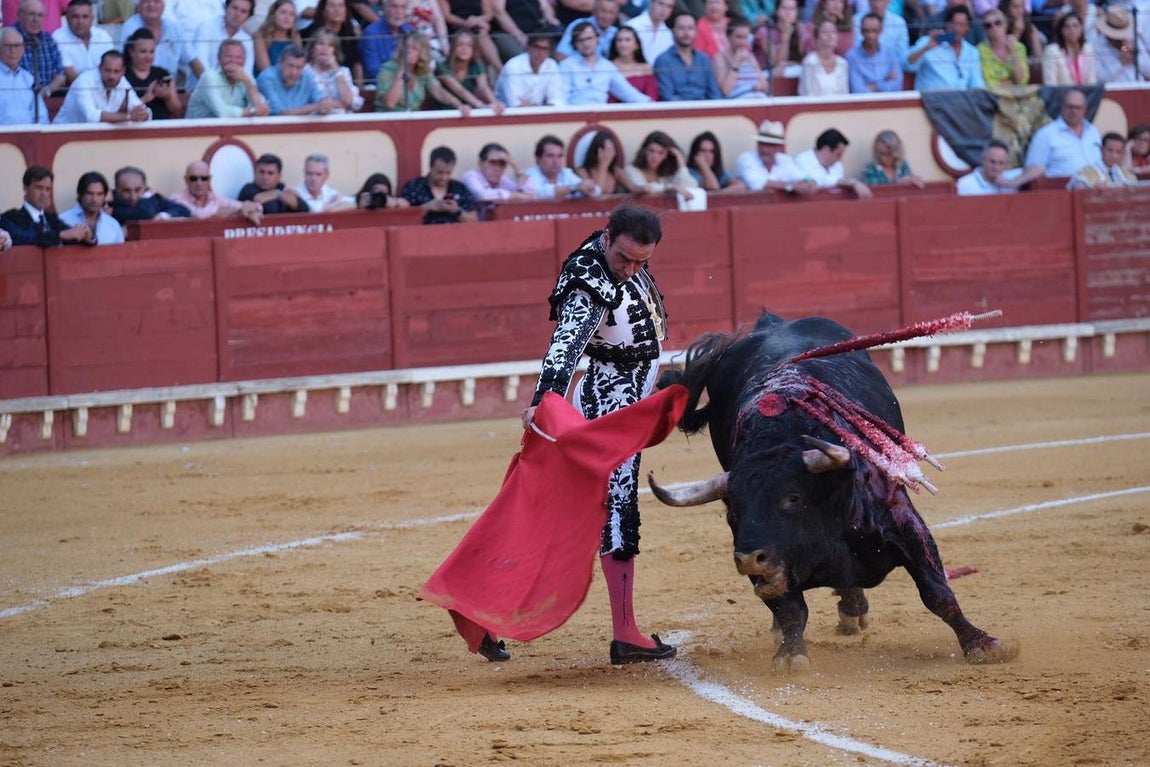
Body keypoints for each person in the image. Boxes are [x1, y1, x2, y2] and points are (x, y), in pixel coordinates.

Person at [519, 204, 676, 666]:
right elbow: (565, 347)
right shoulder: (591, 279)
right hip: (611, 403)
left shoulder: (619, 262)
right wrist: (545, 402)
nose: (629, 270)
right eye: (624, 258)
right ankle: (625, 634)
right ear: (608, 237)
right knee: (615, 508)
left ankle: (491, 615)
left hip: (630, 398)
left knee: (576, 509)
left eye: (640, 263)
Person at [376, 31, 472, 112]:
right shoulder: (387, 68)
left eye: (414, 48)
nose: (409, 51)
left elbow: (438, 91)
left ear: (421, 52)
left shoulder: (423, 70)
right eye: (407, 47)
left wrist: (458, 105)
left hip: (413, 122)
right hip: (388, 121)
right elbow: (390, 103)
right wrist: (402, 69)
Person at [558, 21, 651, 103]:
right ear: (575, 44)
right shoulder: (566, 65)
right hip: (575, 116)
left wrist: (650, 103)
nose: (586, 43)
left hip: (601, 115)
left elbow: (627, 92)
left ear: (597, 39)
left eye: (589, 38)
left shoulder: (607, 66)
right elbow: (561, 98)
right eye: (581, 40)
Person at [0, 165, 92, 247]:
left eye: (47, 189)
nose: (44, 193)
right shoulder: (11, 217)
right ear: (26, 187)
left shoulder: (51, 219)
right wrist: (60, 235)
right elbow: (22, 238)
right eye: (39, 188)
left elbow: (71, 236)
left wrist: (86, 236)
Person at [53, 49, 152, 124]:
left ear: (123, 72)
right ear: (100, 68)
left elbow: (143, 110)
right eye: (107, 70)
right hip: (61, 136)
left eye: (116, 71)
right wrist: (129, 116)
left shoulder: (122, 82)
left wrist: (143, 114)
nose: (111, 76)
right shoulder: (84, 81)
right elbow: (91, 116)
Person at [1024, 88, 1101, 178]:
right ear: (1062, 107)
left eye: (1078, 108)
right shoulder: (1045, 134)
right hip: (1061, 189)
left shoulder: (1093, 131)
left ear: (1085, 110)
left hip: (1098, 187)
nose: (1073, 111)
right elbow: (1031, 172)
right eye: (1070, 107)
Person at [904, 5, 985, 91]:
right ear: (947, 24)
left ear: (967, 28)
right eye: (954, 23)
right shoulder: (928, 41)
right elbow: (907, 66)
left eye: (961, 25)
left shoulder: (972, 52)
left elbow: (977, 83)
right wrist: (926, 48)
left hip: (961, 101)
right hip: (931, 101)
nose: (956, 28)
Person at [185, 39, 271, 119]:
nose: (233, 61)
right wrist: (253, 111)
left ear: (244, 60)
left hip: (231, 130)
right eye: (228, 56)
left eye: (238, 58)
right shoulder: (209, 77)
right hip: (198, 131)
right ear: (218, 58)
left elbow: (262, 109)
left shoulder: (246, 76)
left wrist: (249, 84)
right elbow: (222, 113)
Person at [399, 145, 479, 224]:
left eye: (448, 173)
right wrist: (426, 208)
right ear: (430, 167)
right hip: (423, 235)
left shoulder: (460, 188)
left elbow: (474, 221)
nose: (444, 177)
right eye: (439, 172)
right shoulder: (414, 187)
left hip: (455, 235)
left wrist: (457, 211)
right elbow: (402, 219)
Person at [118, 0, 194, 83]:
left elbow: (192, 60)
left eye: (156, 1)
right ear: (139, 6)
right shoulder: (129, 28)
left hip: (167, 88)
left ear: (163, 5)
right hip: (138, 88)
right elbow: (121, 64)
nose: (151, 4)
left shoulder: (173, 28)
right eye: (146, 1)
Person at [735, 119, 818, 193]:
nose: (764, 149)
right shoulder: (746, 159)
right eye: (762, 144)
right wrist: (791, 186)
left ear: (778, 147)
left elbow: (803, 177)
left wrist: (810, 181)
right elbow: (758, 185)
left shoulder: (785, 160)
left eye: (770, 145)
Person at [653, 11, 722, 101]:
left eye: (690, 28)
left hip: (705, 111)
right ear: (673, 31)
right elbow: (667, 97)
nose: (686, 33)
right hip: (677, 111)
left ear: (696, 31)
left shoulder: (704, 59)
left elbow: (715, 94)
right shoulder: (663, 61)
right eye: (681, 28)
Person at [170, 160, 264, 223]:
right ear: (186, 180)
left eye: (204, 178)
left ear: (209, 180)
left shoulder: (214, 198)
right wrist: (238, 210)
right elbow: (200, 216)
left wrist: (249, 209)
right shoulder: (176, 199)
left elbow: (257, 208)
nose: (199, 183)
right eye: (193, 178)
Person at [189, 0, 256, 88]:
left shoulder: (247, 40)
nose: (237, 14)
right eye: (234, 8)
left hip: (234, 90)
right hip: (203, 87)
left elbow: (247, 73)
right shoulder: (206, 28)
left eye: (243, 11)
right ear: (225, 8)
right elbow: (201, 66)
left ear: (248, 17)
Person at [256, 42, 334, 115]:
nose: (294, 72)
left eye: (299, 67)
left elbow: (321, 102)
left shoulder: (308, 76)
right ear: (280, 63)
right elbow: (280, 113)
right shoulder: (266, 78)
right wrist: (314, 107)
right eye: (290, 66)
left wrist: (325, 106)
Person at [435, 30, 504, 111]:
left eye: (469, 45)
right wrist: (481, 106)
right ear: (453, 47)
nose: (464, 49)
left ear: (474, 49)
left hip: (469, 110)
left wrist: (495, 103)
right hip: (446, 111)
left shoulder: (476, 65)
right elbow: (460, 91)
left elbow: (484, 87)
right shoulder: (442, 66)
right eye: (460, 45)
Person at [794, 128, 872, 197]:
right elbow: (819, 183)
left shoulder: (837, 164)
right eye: (838, 154)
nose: (840, 159)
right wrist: (852, 183)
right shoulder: (802, 161)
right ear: (826, 150)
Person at [122, 29, 181, 120]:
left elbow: (177, 111)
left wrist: (167, 97)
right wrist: (145, 98)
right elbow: (119, 113)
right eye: (143, 52)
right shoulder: (122, 75)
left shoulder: (163, 74)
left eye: (152, 51)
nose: (148, 57)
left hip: (162, 128)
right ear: (131, 52)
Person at [302, 0, 363, 88]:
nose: (337, 10)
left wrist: (360, 86)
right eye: (332, 6)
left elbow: (356, 63)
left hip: (344, 82)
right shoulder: (310, 33)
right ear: (323, 11)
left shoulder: (350, 34)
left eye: (341, 6)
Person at [495, 32, 566, 106]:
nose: (540, 52)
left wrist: (538, 107)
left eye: (544, 49)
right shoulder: (513, 66)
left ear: (549, 52)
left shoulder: (551, 65)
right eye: (536, 47)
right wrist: (543, 106)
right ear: (528, 47)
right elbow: (515, 103)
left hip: (539, 113)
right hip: (508, 114)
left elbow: (557, 100)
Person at [52, 0, 113, 85]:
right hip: (74, 90)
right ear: (67, 18)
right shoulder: (57, 38)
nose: (80, 21)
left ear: (92, 18)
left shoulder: (103, 36)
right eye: (75, 17)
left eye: (85, 17)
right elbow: (71, 76)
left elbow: (112, 67)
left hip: (105, 87)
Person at [624, 130, 698, 200]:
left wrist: (680, 159)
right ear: (645, 151)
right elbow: (645, 188)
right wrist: (672, 188)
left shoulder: (666, 175)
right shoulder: (631, 170)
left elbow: (691, 186)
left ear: (666, 156)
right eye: (651, 151)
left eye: (660, 153)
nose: (654, 156)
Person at [15, 0, 67, 98]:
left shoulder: (48, 38)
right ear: (19, 15)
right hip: (19, 98)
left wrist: (45, 92)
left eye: (40, 15)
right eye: (31, 14)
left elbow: (60, 75)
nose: (36, 19)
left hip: (50, 94)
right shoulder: (9, 39)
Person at [306, 28, 364, 112]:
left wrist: (335, 69)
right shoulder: (304, 70)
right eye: (320, 43)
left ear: (335, 51)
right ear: (312, 48)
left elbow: (349, 101)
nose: (325, 48)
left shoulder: (343, 71)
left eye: (330, 45)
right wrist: (339, 104)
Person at [58, 171, 124, 246]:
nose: (94, 199)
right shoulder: (63, 219)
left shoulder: (113, 225)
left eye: (99, 194)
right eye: (89, 193)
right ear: (81, 194)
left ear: (104, 196)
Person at [0, 26, 49, 126]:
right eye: (7, 46)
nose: (12, 51)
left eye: (17, 46)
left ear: (23, 49)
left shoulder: (28, 78)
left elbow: (41, 116)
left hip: (28, 136)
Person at [525, 134, 600, 198]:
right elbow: (540, 193)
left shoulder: (565, 173)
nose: (556, 161)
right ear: (538, 158)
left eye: (560, 156)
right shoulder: (529, 175)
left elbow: (596, 190)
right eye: (550, 156)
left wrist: (590, 188)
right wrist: (574, 188)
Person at [956, 139, 1041, 194]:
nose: (996, 167)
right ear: (983, 160)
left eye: (1001, 163)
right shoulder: (965, 184)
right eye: (992, 162)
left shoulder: (1009, 177)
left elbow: (1039, 169)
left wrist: (1011, 183)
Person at [439, 0, 504, 74]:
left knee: (481, 33)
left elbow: (488, 14)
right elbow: (447, 16)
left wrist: (477, 20)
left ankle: (497, 70)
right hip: (457, 26)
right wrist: (466, 23)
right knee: (476, 36)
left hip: (479, 24)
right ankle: (499, 70)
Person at [111, 165, 192, 223]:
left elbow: (184, 210)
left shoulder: (151, 198)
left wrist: (163, 215)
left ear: (145, 187)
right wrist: (147, 197)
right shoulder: (110, 204)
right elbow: (145, 214)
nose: (133, 196)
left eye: (137, 190)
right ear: (117, 189)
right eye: (126, 191)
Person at [488, 0, 562, 62]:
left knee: (559, 51)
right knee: (520, 57)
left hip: (537, 29)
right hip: (509, 33)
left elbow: (545, 6)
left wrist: (550, 18)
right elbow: (499, 12)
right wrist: (519, 35)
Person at [1092, 5, 1150, 84]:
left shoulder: (1133, 39)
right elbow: (1099, 79)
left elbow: (1148, 71)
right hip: (1113, 92)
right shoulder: (1096, 46)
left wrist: (1136, 56)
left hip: (1139, 88)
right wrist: (1121, 63)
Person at [712, 17, 769, 98]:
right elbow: (725, 91)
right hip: (739, 103)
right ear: (728, 36)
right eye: (738, 37)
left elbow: (765, 85)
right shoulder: (720, 57)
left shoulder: (750, 56)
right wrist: (736, 63)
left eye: (745, 37)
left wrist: (760, 86)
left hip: (759, 99)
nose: (742, 42)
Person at [846, 12, 902, 92]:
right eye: (867, 31)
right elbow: (858, 90)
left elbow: (897, 85)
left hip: (889, 102)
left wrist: (874, 86)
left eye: (874, 31)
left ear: (881, 30)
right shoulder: (852, 56)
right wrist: (885, 81)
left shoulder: (890, 52)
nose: (870, 35)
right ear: (861, 31)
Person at [360, 0, 415, 82]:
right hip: (382, 85)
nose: (399, 12)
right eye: (394, 7)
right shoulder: (371, 33)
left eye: (403, 7)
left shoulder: (410, 30)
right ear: (384, 7)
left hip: (410, 82)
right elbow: (373, 71)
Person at [239, 154, 310, 214]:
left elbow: (304, 209)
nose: (265, 177)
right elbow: (268, 208)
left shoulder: (281, 188)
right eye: (261, 172)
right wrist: (281, 195)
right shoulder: (248, 189)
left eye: (270, 173)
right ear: (255, 173)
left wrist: (278, 194)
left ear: (279, 177)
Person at [462, 142, 535, 201]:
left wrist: (518, 171)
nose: (497, 168)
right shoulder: (471, 176)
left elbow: (531, 196)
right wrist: (512, 196)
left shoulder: (503, 179)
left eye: (502, 164)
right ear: (480, 163)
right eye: (492, 162)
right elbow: (481, 195)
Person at [1067, 132, 1139, 190]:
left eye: (1118, 152)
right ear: (1101, 150)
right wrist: (1093, 191)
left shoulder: (1127, 175)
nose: (1114, 155)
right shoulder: (1086, 173)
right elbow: (1078, 193)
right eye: (1110, 150)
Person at [1041, 10, 1094, 86]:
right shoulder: (1052, 51)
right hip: (1061, 96)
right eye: (1067, 27)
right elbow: (1050, 85)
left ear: (1081, 29)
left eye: (1075, 26)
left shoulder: (1088, 49)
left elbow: (1091, 81)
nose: (1072, 30)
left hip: (1085, 96)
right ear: (1061, 30)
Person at [576, 130, 638, 194]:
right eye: (607, 150)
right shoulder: (583, 171)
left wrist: (643, 188)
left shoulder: (615, 171)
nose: (610, 154)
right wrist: (603, 165)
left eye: (612, 149)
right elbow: (596, 193)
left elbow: (633, 187)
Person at [976, 8, 1026, 87]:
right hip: (992, 97)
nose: (994, 27)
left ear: (1006, 24)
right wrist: (1011, 83)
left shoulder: (1019, 47)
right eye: (988, 25)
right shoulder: (980, 50)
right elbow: (988, 83)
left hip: (1016, 95)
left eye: (998, 23)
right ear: (985, 30)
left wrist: (1013, 52)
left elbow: (1021, 80)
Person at [800, 18, 849, 95]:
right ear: (817, 38)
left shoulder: (842, 63)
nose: (830, 35)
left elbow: (844, 93)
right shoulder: (810, 62)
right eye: (825, 32)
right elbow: (808, 94)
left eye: (833, 32)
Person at [606, 25, 657, 99]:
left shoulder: (646, 68)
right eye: (619, 40)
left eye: (627, 40)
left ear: (636, 45)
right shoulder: (608, 67)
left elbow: (652, 97)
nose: (623, 44)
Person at [761, 0, 808, 77]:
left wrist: (787, 64)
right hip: (766, 73)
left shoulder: (801, 30)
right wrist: (786, 36)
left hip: (793, 70)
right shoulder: (765, 31)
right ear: (777, 11)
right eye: (784, 8)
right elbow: (776, 62)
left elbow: (803, 60)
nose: (788, 13)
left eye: (792, 9)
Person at [851, 0, 907, 64]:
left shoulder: (899, 23)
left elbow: (902, 56)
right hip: (862, 66)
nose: (877, 5)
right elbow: (855, 50)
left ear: (889, 1)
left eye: (881, 1)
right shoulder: (855, 21)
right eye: (874, 1)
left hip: (890, 69)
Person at [254, 0, 302, 73]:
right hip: (268, 81)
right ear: (273, 15)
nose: (287, 17)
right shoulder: (260, 36)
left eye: (291, 14)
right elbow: (266, 71)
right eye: (283, 13)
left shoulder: (296, 39)